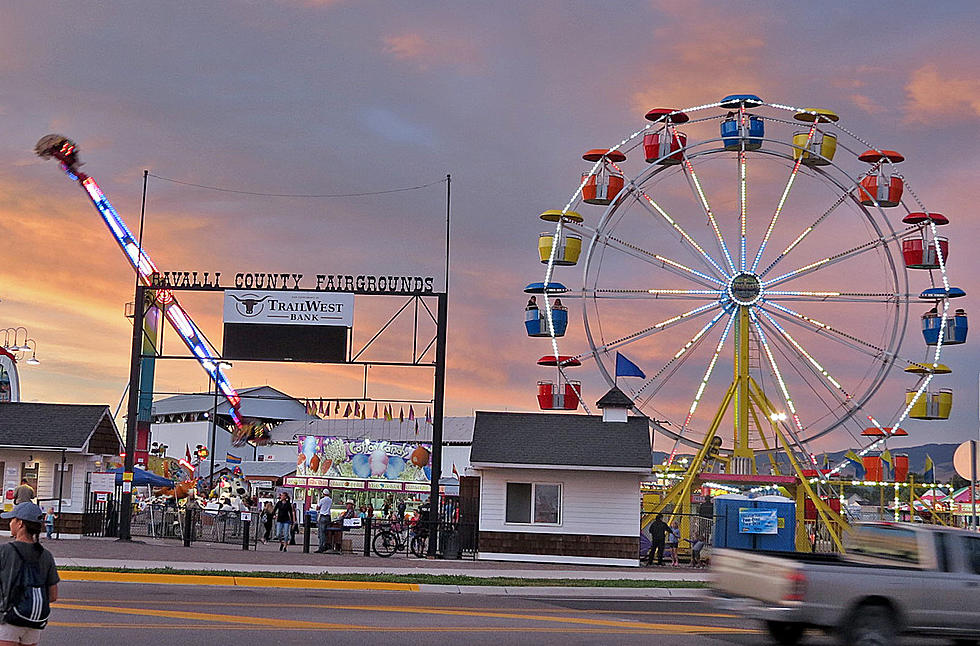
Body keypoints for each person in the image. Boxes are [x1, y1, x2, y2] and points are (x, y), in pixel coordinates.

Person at [0, 502, 59, 644]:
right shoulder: (46, 555)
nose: (10, 523)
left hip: (8, 620)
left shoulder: (4, 551)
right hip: (33, 622)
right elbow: (52, 596)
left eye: (12, 520)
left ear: (20, 523)